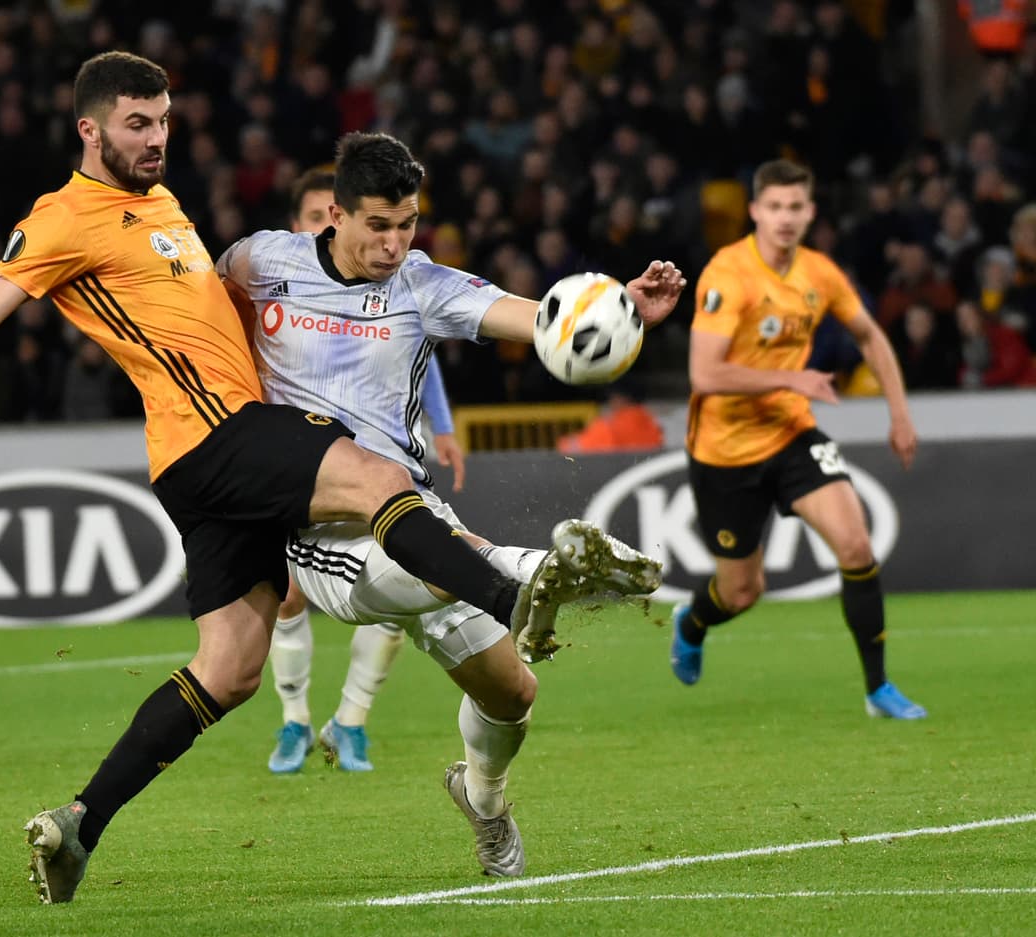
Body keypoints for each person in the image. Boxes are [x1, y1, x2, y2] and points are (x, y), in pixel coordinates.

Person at [0, 53, 602, 905]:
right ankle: (512, 596)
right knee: (376, 476)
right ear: (89, 129)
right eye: (137, 123)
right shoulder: (61, 219)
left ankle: (79, 822)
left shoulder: (159, 204)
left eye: (163, 120)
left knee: (231, 668)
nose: (157, 138)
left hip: (197, 462)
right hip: (219, 433)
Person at [217, 131, 684, 876]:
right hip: (321, 532)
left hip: (419, 515)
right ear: (333, 214)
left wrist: (618, 309)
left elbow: (531, 317)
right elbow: (198, 308)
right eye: (379, 225)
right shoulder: (262, 260)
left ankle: (483, 798)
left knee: (512, 694)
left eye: (408, 224)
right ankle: (536, 569)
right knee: (448, 566)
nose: (396, 242)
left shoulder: (419, 283)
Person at [671, 158, 927, 720]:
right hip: (724, 451)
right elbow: (706, 375)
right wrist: (791, 376)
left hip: (791, 432)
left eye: (796, 208)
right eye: (775, 207)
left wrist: (900, 414)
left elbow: (871, 336)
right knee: (741, 592)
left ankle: (878, 689)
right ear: (756, 212)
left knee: (857, 546)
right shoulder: (728, 273)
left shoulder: (818, 273)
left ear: (810, 213)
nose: (785, 218)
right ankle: (691, 623)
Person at [266, 167, 468, 775]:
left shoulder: (390, 286)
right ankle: (294, 720)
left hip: (381, 453)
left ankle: (350, 721)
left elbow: (415, 348)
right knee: (288, 595)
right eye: (309, 216)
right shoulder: (276, 281)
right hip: (296, 468)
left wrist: (444, 424)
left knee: (402, 578)